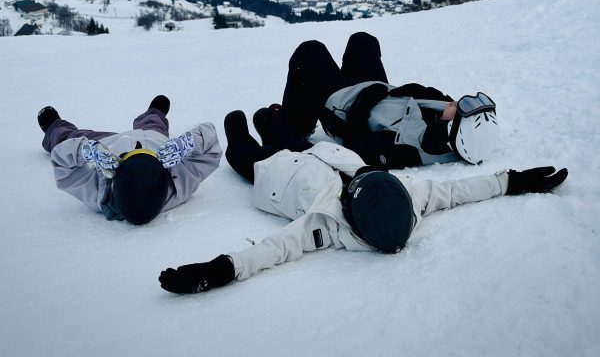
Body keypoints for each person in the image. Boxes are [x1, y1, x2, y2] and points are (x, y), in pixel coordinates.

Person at [158, 108, 568, 294]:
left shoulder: (323, 225)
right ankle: (271, 122)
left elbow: (273, 249)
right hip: (323, 153)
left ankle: (248, 131)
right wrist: (512, 180)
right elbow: (459, 191)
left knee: (241, 145)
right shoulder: (410, 197)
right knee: (284, 129)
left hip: (274, 174)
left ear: (351, 215)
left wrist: (219, 270)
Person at [277, 31, 499, 168]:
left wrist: (366, 99)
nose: (460, 102)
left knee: (310, 51)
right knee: (363, 40)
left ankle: (297, 124)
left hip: (340, 106)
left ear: (455, 127)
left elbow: (357, 146)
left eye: (464, 107)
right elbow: (417, 91)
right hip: (375, 91)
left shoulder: (408, 149)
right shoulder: (446, 118)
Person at [37, 95, 222, 225]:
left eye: (129, 155)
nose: (136, 148)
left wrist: (84, 150)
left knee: (69, 137)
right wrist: (188, 142)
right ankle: (154, 112)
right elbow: (211, 146)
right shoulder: (179, 185)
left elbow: (62, 162)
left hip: (106, 145)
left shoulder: (97, 191)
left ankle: (54, 126)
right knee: (153, 124)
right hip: (154, 138)